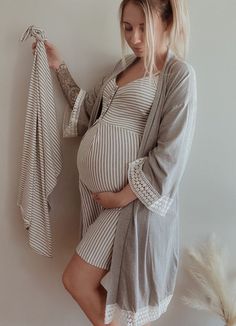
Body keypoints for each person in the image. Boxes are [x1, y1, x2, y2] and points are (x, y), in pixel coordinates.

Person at [32, 1, 196, 325]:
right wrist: (59, 67)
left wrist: (121, 196)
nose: (134, 38)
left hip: (130, 207)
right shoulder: (122, 65)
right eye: (127, 27)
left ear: (167, 22)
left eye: (143, 28)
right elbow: (89, 110)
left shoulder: (179, 76)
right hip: (104, 204)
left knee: (76, 280)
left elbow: (171, 154)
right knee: (84, 286)